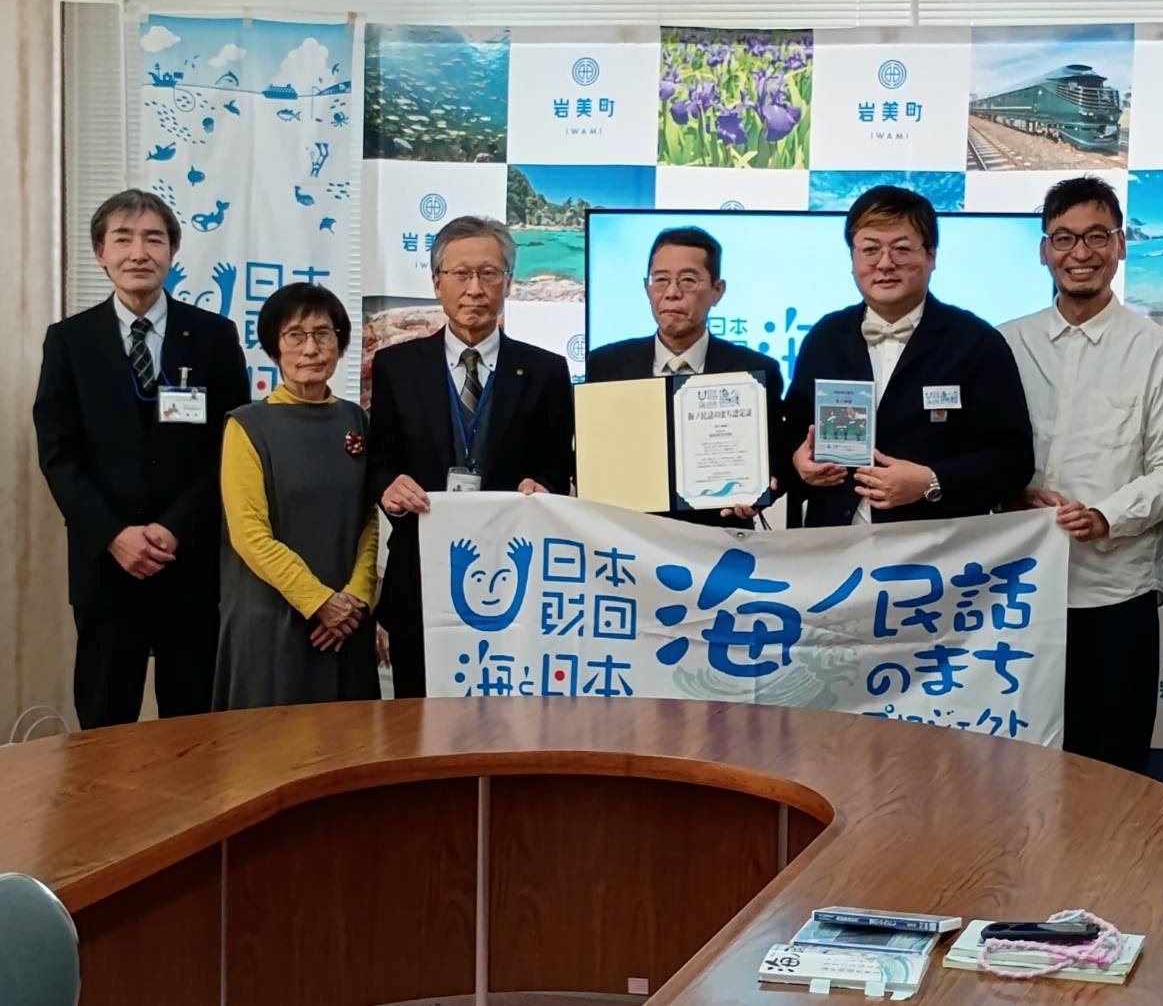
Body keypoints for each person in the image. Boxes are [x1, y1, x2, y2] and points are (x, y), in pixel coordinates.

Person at [33, 188, 249, 727]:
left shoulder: (214, 337)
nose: (138, 253)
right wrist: (114, 534)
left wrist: (174, 528)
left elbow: (230, 448)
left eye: (153, 239)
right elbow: (58, 454)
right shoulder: (69, 341)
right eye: (123, 239)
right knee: (104, 723)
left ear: (172, 252)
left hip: (189, 561)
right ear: (100, 253)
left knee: (193, 725)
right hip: (106, 565)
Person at [1000, 176, 1163, 774]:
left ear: (1121, 245)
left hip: (1113, 594)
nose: (1079, 253)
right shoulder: (1006, 343)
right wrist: (1010, 493)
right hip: (1016, 593)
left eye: (1096, 237)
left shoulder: (1155, 351)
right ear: (1044, 250)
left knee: (1111, 768)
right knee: (1015, 766)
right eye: (1063, 238)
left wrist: (1105, 516)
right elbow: (981, 452)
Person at [369, 215, 575, 698]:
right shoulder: (396, 366)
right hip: (420, 573)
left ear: (509, 282)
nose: (475, 288)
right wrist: (388, 487)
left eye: (489, 273)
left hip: (515, 575)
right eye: (461, 274)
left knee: (509, 713)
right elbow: (380, 459)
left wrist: (543, 488)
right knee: (417, 716)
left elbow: (557, 466)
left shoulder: (546, 370)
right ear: (436, 281)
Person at [784, 185, 1033, 526]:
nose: (885, 264)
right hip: (833, 545)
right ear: (853, 259)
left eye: (901, 249)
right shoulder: (825, 338)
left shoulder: (976, 343)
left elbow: (1013, 460)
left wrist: (931, 482)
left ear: (931, 256)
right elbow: (793, 433)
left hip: (936, 548)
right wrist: (798, 461)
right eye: (870, 250)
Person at [213, 283, 379, 709]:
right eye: (295, 336)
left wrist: (355, 599)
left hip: (346, 624)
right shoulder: (247, 426)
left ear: (340, 344)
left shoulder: (357, 420)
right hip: (272, 620)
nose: (311, 349)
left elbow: (370, 519)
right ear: (274, 347)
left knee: (352, 742)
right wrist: (319, 601)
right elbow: (249, 533)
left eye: (323, 334)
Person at [584, 225, 785, 527]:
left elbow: (778, 458)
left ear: (717, 290)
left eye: (688, 281)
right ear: (647, 288)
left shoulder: (755, 371)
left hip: (719, 538)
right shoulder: (606, 366)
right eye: (660, 280)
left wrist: (761, 492)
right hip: (625, 537)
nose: (672, 293)